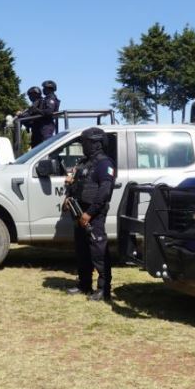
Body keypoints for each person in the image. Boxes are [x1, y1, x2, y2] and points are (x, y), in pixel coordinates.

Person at [64, 127, 115, 301]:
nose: (83, 146)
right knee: (82, 250)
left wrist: (90, 213)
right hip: (79, 211)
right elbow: (76, 185)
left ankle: (103, 289)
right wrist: (68, 194)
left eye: (85, 143)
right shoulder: (84, 162)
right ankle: (84, 284)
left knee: (98, 251)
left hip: (94, 214)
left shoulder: (104, 164)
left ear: (96, 143)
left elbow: (104, 191)